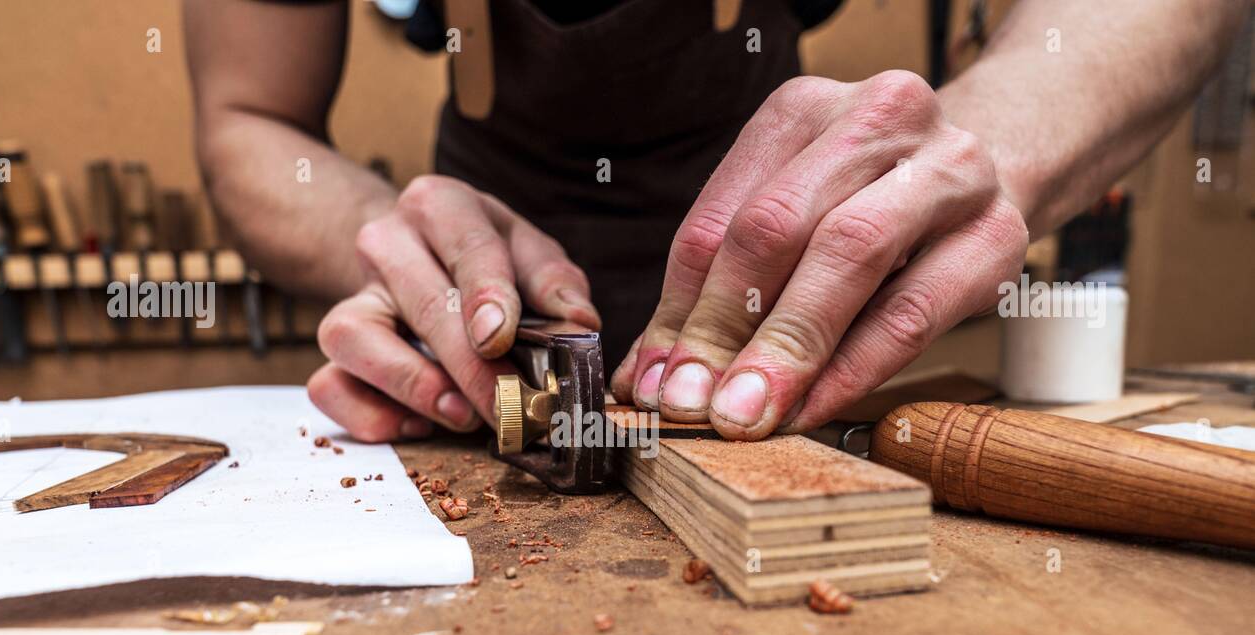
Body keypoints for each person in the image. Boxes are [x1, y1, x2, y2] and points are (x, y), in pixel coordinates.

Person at [186, 0, 1247, 442]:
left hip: (802, 268)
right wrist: (384, 232)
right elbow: (248, 118)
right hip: (487, 254)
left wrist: (986, 143)